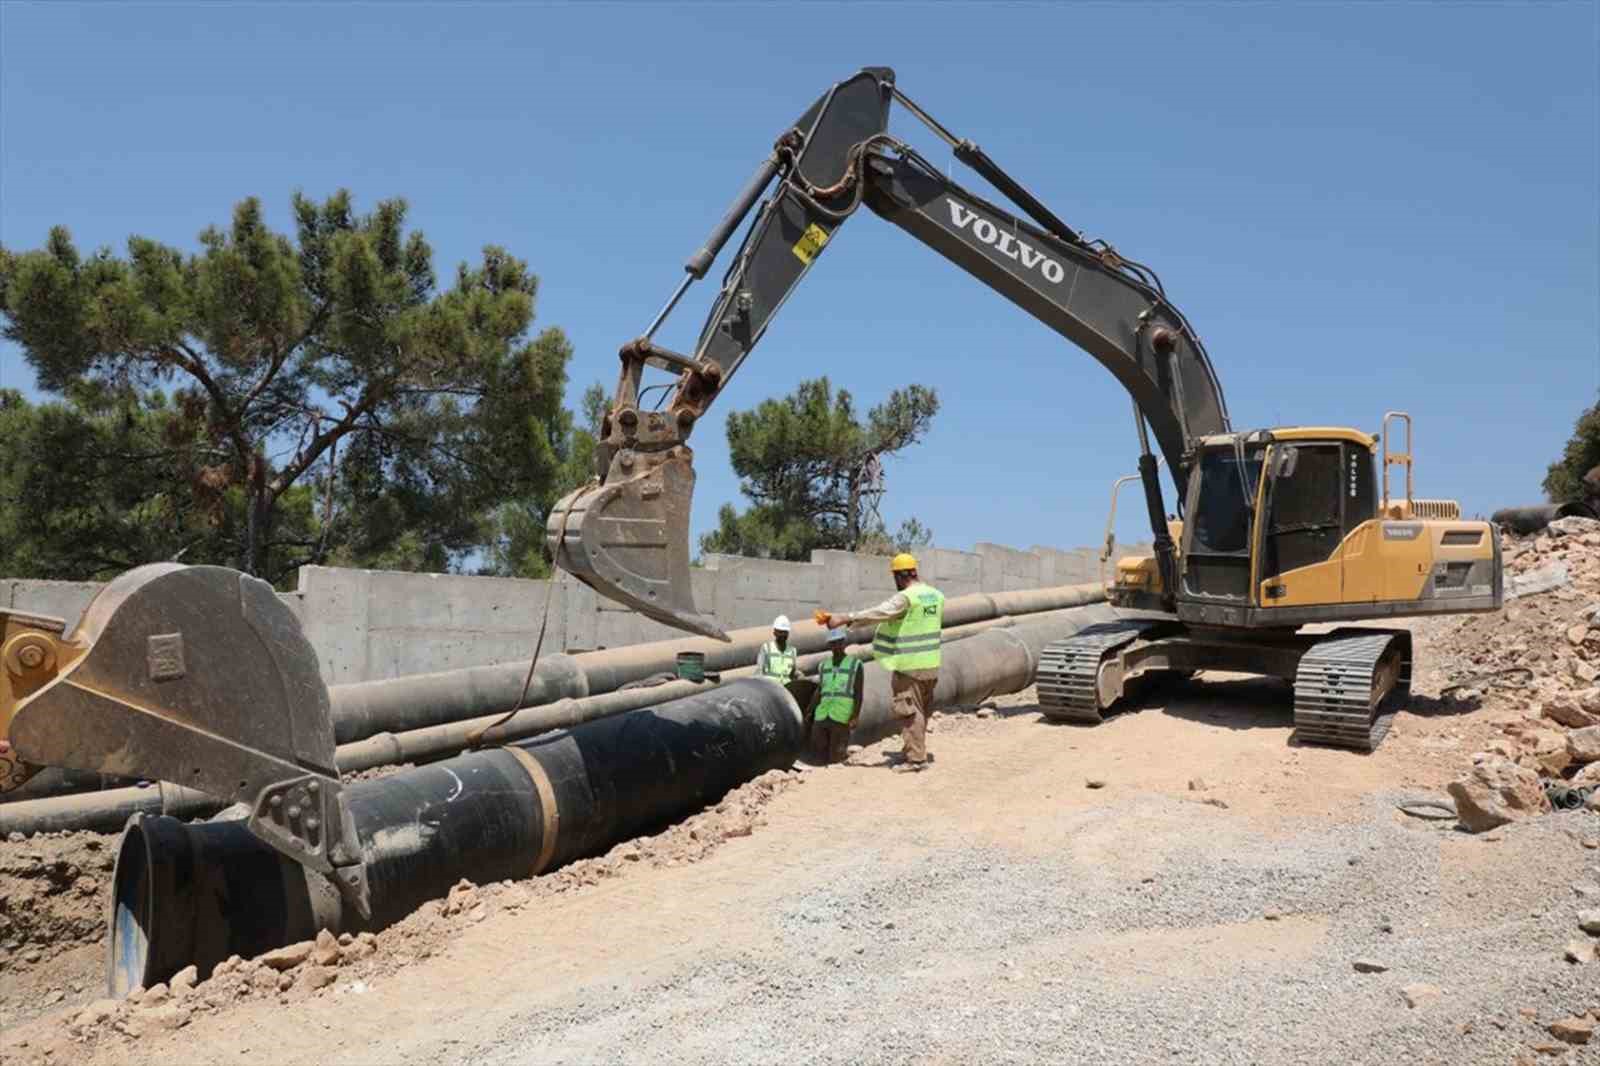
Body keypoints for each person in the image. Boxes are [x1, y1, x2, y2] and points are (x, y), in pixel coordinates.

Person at [820, 553, 942, 772]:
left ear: (899, 576)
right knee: (921, 710)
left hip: (910, 665)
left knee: (908, 711)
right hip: (931, 664)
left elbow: (881, 612)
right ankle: (914, 750)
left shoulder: (907, 597)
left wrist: (845, 618)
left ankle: (916, 760)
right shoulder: (935, 596)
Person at [805, 627, 863, 765]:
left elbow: (859, 693)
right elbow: (820, 690)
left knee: (837, 753)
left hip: (842, 714)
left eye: (838, 642)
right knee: (818, 748)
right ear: (829, 645)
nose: (836, 646)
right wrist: (810, 710)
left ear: (843, 643)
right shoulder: (824, 665)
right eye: (833, 643)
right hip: (823, 713)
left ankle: (835, 776)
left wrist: (855, 716)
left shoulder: (855, 664)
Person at [756, 615, 797, 684]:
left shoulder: (792, 651)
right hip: (770, 689)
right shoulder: (767, 648)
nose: (783, 635)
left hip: (785, 690)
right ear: (774, 633)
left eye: (785, 632)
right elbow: (760, 671)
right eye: (780, 632)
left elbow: (792, 673)